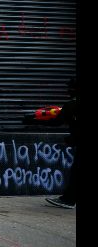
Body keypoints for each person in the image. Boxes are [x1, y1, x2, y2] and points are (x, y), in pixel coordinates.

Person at [44, 78, 78, 209]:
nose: (68, 91)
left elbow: (57, 122)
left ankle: (69, 200)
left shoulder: (71, 105)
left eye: (70, 88)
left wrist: (37, 120)